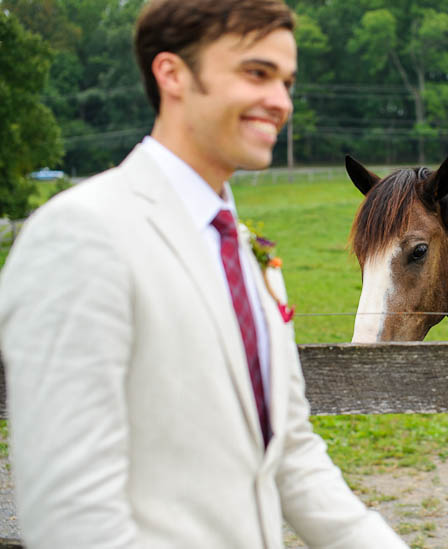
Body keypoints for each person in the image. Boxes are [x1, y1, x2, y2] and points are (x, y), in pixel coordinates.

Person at [0, 1, 407, 547]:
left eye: (286, 81)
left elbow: (290, 458)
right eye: (256, 73)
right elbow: (73, 518)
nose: (280, 101)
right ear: (171, 73)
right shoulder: (78, 235)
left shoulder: (248, 253)